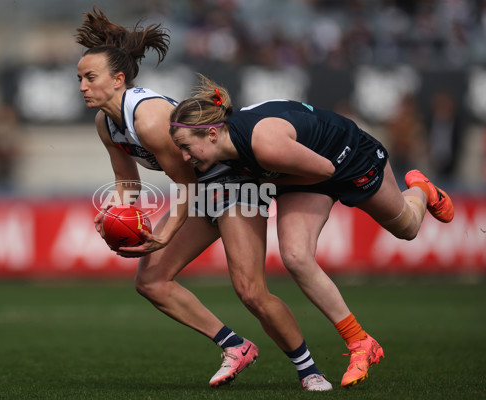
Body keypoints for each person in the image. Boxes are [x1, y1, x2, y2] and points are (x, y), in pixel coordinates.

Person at [75, 7, 332, 391]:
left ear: (118, 79)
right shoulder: (105, 123)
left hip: (232, 184)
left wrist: (161, 236)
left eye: (89, 78)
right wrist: (116, 209)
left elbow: (190, 186)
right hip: (202, 191)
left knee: (250, 291)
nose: (81, 86)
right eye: (79, 78)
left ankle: (309, 369)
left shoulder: (147, 118)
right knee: (152, 280)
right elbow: (126, 179)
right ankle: (235, 345)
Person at [169, 74, 455, 388]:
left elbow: (325, 172)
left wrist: (264, 183)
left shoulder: (264, 145)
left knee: (407, 227)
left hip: (348, 159)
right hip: (302, 172)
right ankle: (360, 341)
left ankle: (421, 190)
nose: (185, 157)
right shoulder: (228, 148)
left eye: (186, 147)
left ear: (211, 133)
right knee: (295, 256)